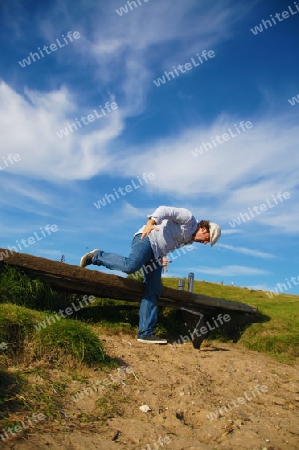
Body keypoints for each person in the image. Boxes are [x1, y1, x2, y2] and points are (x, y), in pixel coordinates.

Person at [80, 206, 221, 344]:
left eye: (206, 242)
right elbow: (164, 210)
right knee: (130, 266)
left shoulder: (188, 239)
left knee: (154, 289)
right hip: (146, 239)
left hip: (156, 254)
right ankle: (97, 256)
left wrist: (163, 257)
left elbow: (167, 239)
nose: (204, 242)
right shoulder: (188, 218)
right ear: (203, 228)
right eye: (206, 239)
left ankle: (145, 333)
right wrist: (150, 224)